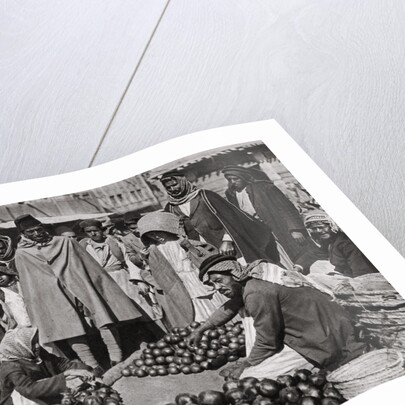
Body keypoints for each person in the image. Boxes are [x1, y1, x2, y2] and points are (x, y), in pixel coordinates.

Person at [188, 254, 367, 379]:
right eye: (213, 285)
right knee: (244, 314)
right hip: (327, 326)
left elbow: (268, 341)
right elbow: (229, 307)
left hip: (323, 339)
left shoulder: (256, 292)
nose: (217, 288)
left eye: (219, 281)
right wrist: (202, 329)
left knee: (251, 377)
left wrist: (246, 364)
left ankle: (327, 362)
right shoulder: (252, 278)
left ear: (233, 274)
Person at [13, 214, 143, 372]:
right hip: (53, 296)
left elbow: (89, 267)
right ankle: (92, 366)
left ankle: (117, 357)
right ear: (23, 235)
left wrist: (95, 287)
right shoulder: (22, 254)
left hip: (81, 286)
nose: (36, 234)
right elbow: (30, 284)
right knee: (69, 329)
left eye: (38, 229)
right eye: (30, 232)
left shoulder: (65, 242)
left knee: (103, 318)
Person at [159, 171, 279, 264]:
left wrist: (227, 241)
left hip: (229, 248)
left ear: (183, 182)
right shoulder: (170, 208)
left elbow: (232, 218)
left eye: (175, 185)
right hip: (205, 254)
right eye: (168, 188)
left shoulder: (206, 196)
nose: (173, 189)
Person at [137, 212, 228, 329]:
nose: (156, 237)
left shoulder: (184, 242)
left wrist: (189, 247)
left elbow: (204, 258)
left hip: (197, 279)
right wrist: (145, 259)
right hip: (180, 286)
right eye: (151, 235)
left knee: (213, 304)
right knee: (195, 310)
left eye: (158, 233)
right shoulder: (154, 251)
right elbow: (155, 272)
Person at [222, 166, 314, 262]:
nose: (232, 182)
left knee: (301, 255)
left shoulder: (264, 187)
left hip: (280, 228)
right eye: (229, 179)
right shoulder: (232, 195)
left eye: (236, 179)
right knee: (281, 259)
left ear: (243, 177)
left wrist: (296, 229)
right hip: (262, 234)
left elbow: (287, 209)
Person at [79, 219, 162, 325]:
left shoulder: (114, 242)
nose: (93, 234)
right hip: (102, 282)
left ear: (101, 229)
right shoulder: (85, 247)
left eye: (95, 230)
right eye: (89, 232)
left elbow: (128, 260)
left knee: (142, 306)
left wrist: (139, 281)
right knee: (119, 312)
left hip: (122, 278)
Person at [0, 327, 95, 405]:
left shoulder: (35, 354)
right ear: (20, 347)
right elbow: (30, 389)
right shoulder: (10, 368)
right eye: (33, 344)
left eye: (37, 341)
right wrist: (65, 374)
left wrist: (86, 370)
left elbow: (61, 364)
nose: (37, 346)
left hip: (43, 394)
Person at [295, 210, 379, 277]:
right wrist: (298, 267)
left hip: (357, 278)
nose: (318, 231)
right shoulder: (330, 241)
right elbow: (314, 254)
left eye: (321, 227)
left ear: (332, 226)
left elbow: (361, 270)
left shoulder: (346, 243)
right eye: (314, 228)